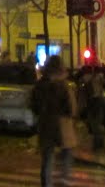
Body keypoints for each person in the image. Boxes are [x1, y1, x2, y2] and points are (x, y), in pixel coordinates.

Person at [31, 55, 77, 187]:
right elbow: (71, 108)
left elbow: (33, 105)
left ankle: (47, 184)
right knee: (67, 153)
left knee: (47, 159)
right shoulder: (63, 85)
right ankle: (64, 179)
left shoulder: (40, 85)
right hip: (62, 124)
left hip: (45, 124)